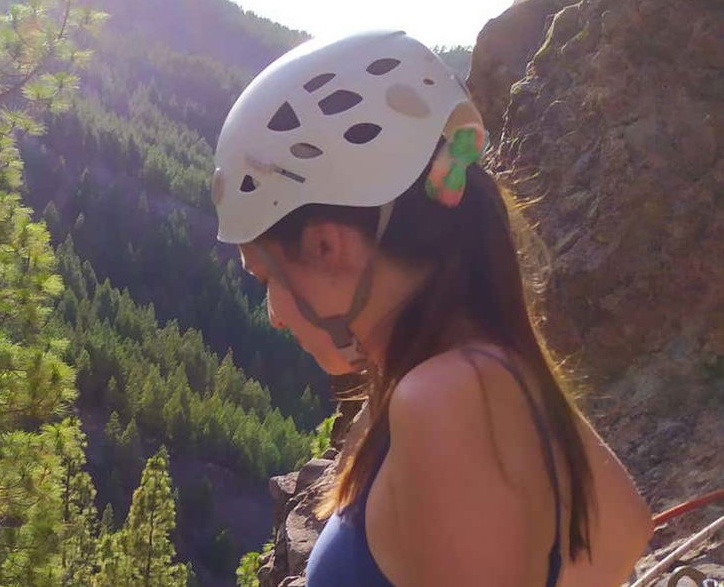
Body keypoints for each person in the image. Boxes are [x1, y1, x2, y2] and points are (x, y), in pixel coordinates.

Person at [211, 32, 654, 587]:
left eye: (266, 277)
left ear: (329, 246)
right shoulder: (485, 366)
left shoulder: (444, 399)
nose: (274, 313)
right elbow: (623, 530)